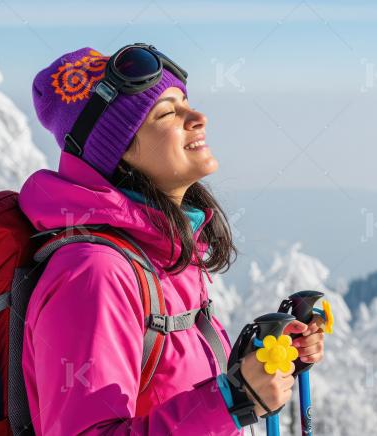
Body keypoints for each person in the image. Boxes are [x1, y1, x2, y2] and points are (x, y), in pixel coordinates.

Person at [18, 44, 326, 434]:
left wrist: (257, 373)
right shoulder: (95, 274)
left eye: (184, 103)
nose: (197, 117)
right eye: (167, 113)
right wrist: (235, 399)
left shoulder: (161, 254)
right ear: (119, 152)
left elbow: (170, 391)